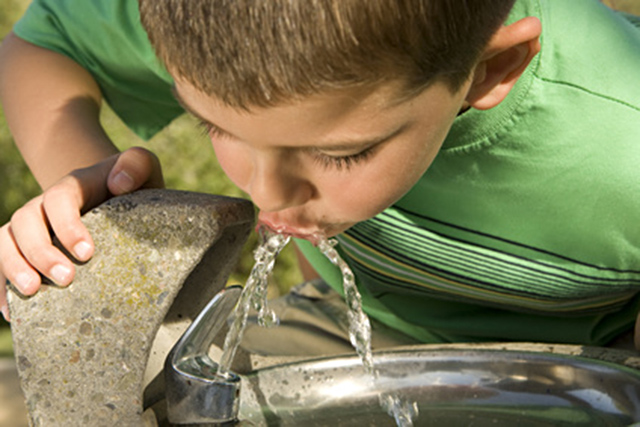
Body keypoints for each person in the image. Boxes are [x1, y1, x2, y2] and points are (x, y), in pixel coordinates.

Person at [0, 0, 639, 353]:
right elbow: (43, 41)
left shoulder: (620, 137)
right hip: (343, 322)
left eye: (340, 155)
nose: (266, 195)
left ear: (488, 72)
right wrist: (91, 183)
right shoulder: (235, 19)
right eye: (214, 127)